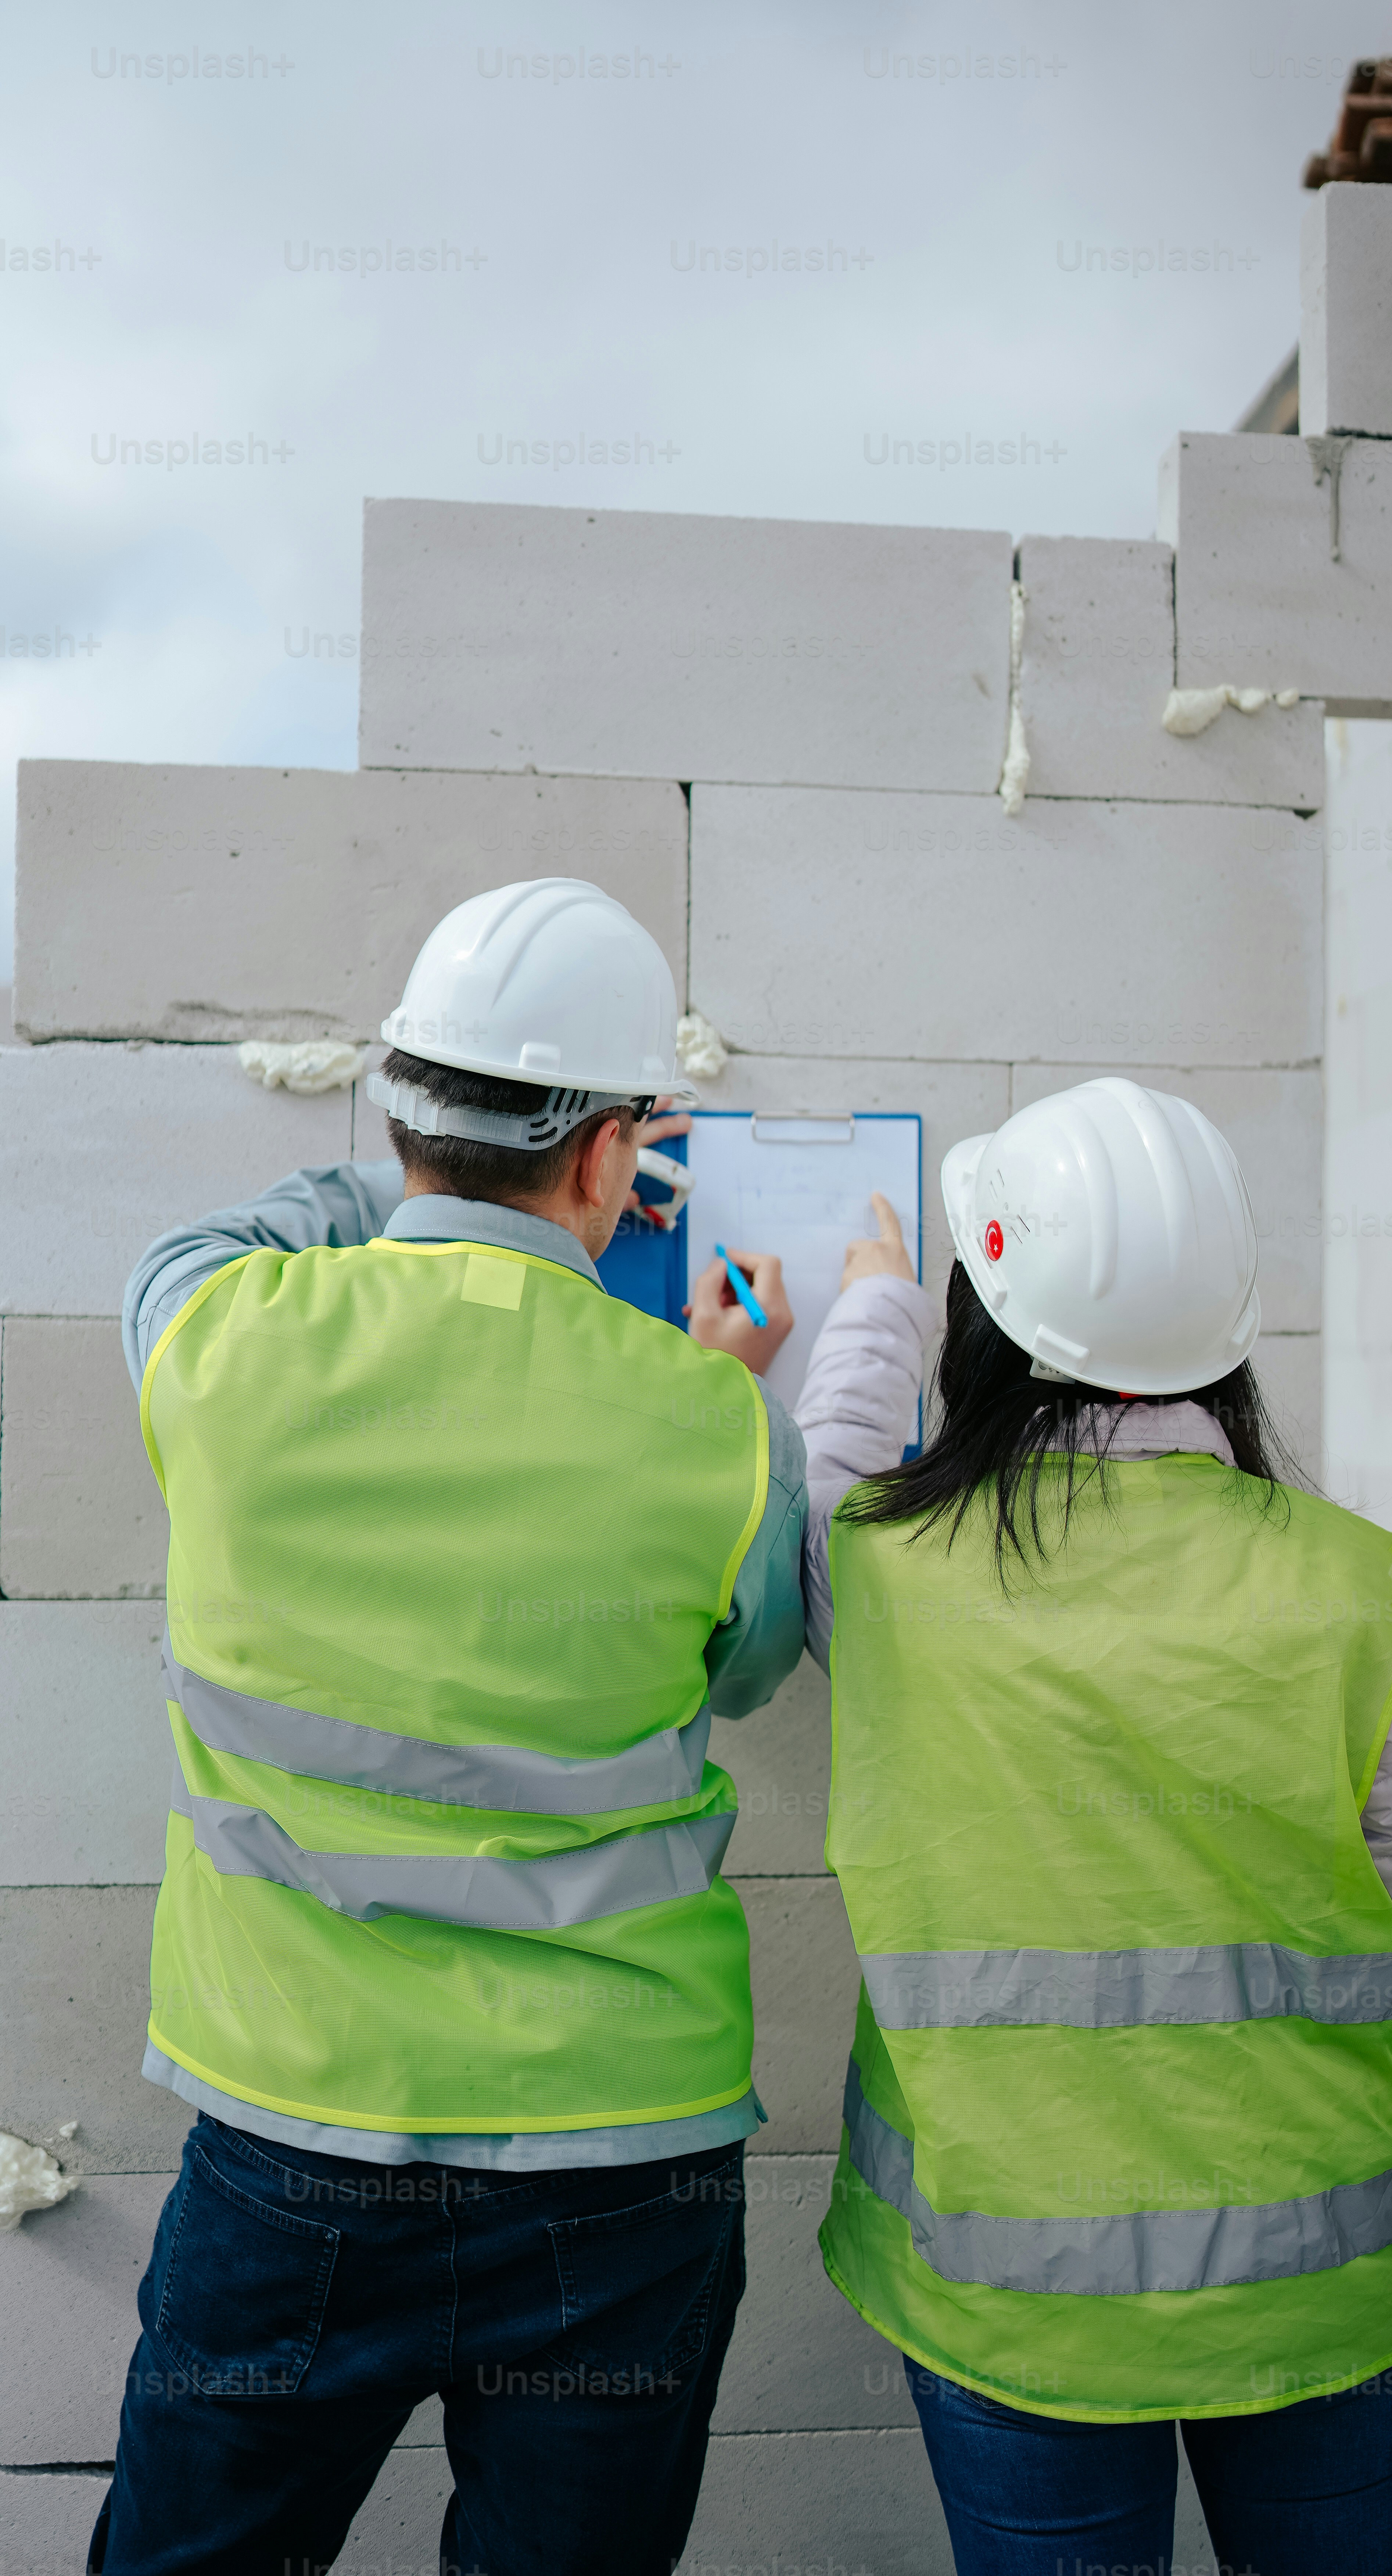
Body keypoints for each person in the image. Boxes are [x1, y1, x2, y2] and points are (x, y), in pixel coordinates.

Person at [94, 879, 803, 2576]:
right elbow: (750, 1670)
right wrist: (721, 1376)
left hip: (291, 2127)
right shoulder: (717, 1430)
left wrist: (407, 1180)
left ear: (401, 1107)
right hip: (621, 2163)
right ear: (615, 1152)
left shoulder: (221, 1343)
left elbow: (209, 1244)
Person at [792, 1078, 1392, 2576]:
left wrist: (875, 1300)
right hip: (1325, 2292)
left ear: (989, 1312)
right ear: (1228, 1332)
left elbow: (828, 1460)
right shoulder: (1349, 1591)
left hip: (1015, 2305)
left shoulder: (896, 1569)